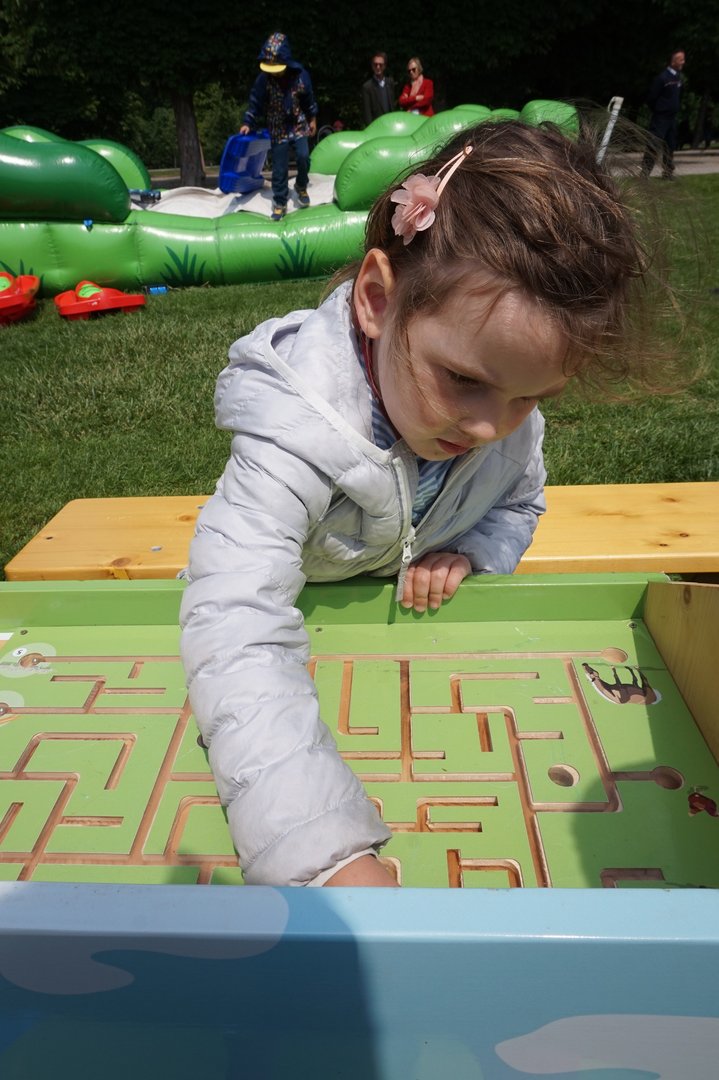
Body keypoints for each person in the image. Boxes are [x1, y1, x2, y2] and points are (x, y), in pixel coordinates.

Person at [181, 120, 675, 890]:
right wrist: (319, 850)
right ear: (378, 299)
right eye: (464, 382)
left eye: (533, 397)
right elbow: (233, 621)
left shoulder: (502, 409)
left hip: (409, 658)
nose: (490, 427)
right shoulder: (291, 438)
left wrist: (474, 551)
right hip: (296, 643)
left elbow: (518, 504)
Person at [240, 32, 317, 221]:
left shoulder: (300, 76)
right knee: (280, 167)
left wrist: (312, 118)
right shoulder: (264, 80)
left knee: (303, 157)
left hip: (298, 124)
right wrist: (248, 122)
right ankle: (280, 200)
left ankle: (301, 185)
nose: (274, 71)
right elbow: (256, 102)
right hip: (278, 127)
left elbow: (308, 99)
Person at [641, 49, 685, 179]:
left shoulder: (677, 78)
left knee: (670, 145)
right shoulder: (662, 78)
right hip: (661, 117)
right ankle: (645, 173)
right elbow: (652, 97)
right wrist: (659, 109)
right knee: (654, 144)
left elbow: (679, 95)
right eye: (681, 59)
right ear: (673, 61)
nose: (683, 62)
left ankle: (667, 172)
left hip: (672, 117)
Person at [362, 52, 396, 127]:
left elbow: (392, 106)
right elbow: (367, 113)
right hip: (377, 127)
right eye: (375, 64)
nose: (378, 67)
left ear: (385, 66)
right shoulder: (367, 87)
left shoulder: (390, 83)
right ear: (372, 66)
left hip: (390, 124)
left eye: (381, 65)